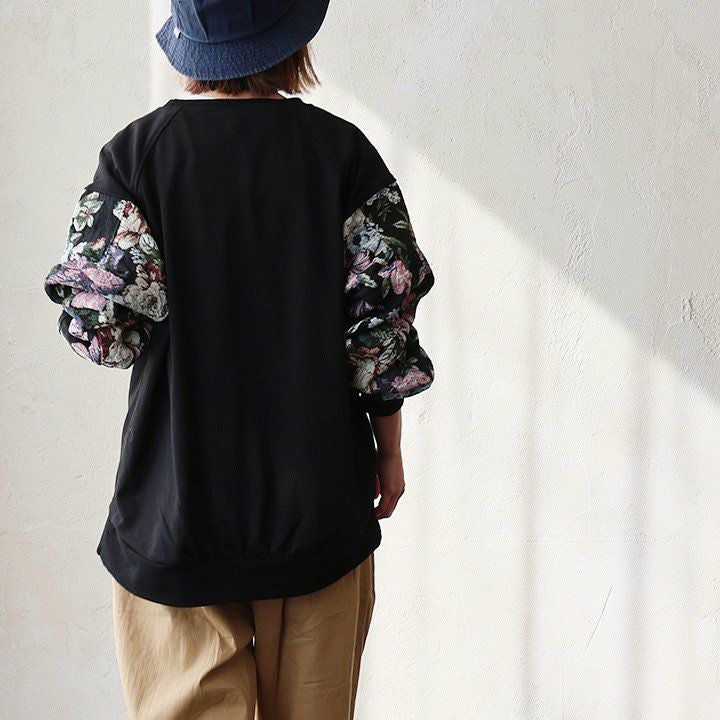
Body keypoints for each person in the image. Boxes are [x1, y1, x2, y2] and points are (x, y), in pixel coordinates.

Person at [42, 0, 436, 718]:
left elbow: (103, 336)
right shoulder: (342, 156)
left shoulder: (135, 158)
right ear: (293, 40)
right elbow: (380, 337)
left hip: (174, 512)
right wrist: (389, 451)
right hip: (318, 508)